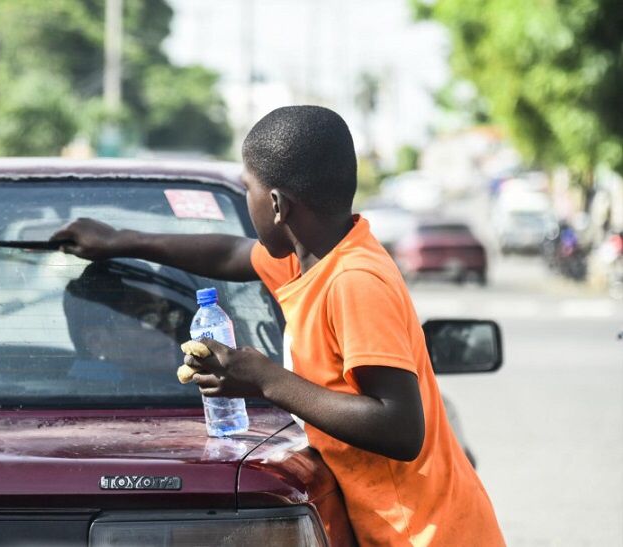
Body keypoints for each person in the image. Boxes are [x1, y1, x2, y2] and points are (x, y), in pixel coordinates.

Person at [52, 106, 504, 545]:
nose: (248, 200)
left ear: (275, 204)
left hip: (428, 534)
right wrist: (120, 241)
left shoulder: (354, 281)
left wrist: (267, 380)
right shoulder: (311, 258)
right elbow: (229, 254)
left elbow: (401, 429)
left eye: (248, 188)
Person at [62, 259, 193, 389]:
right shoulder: (107, 399)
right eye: (148, 319)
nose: (169, 327)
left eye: (170, 314)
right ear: (96, 341)